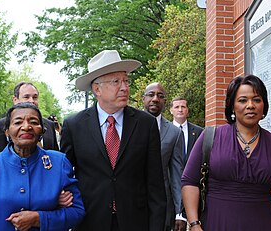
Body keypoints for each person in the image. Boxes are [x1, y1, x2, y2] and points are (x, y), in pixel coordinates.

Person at [181, 75, 271, 231]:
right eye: (242, 100)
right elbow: (190, 181)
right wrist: (194, 224)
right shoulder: (210, 137)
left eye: (256, 100)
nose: (250, 105)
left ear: (264, 105)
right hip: (216, 223)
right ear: (232, 105)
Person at [60, 50, 167, 231]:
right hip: (89, 222)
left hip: (135, 222)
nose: (124, 87)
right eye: (116, 82)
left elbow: (155, 184)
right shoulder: (74, 125)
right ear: (97, 89)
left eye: (126, 81)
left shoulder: (145, 124)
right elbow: (64, 176)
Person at [0, 102, 85, 230]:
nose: (26, 127)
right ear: (7, 132)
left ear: (42, 130)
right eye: (18, 122)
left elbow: (77, 212)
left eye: (33, 122)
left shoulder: (58, 162)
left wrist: (39, 219)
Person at [142, 82, 184, 231]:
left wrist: (180, 212)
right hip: (131, 203)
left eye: (160, 96)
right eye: (151, 95)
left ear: (165, 102)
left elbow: (176, 173)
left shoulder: (174, 133)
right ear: (143, 99)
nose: (155, 99)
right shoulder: (129, 125)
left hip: (162, 206)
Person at [0, 81, 59, 155]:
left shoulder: (49, 125)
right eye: (26, 97)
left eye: (35, 97)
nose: (31, 101)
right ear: (15, 100)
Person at [169, 96, 203, 230]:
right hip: (171, 190)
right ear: (171, 110)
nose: (180, 109)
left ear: (188, 110)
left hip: (193, 188)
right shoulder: (164, 132)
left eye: (183, 106)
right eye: (177, 107)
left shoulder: (199, 132)